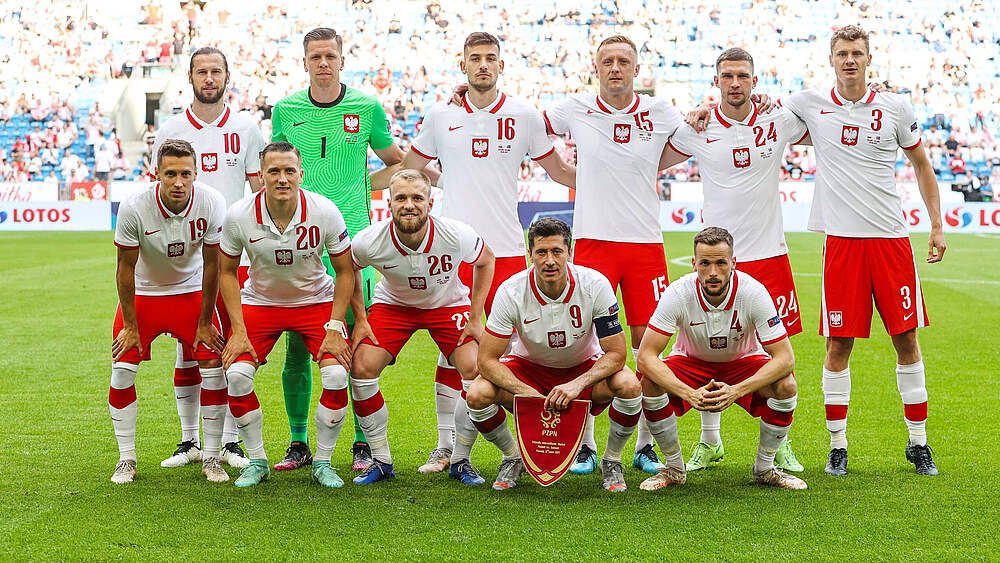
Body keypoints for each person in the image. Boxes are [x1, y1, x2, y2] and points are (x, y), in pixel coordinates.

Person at [382, 31, 576, 474]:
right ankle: (447, 448)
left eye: (490, 58)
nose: (483, 65)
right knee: (453, 350)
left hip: (506, 251)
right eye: (475, 58)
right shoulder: (441, 114)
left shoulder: (524, 115)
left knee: (525, 347)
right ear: (463, 64)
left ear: (501, 65)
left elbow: (560, 170)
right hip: (453, 253)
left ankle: (547, 441)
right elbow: (410, 170)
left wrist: (616, 181)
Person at [778, 25, 945, 476]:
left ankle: (918, 442)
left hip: (891, 242)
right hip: (843, 246)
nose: (849, 60)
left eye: (857, 53)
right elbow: (756, 108)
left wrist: (936, 225)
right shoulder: (810, 104)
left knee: (906, 340)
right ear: (831, 59)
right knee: (838, 345)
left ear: (869, 58)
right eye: (842, 53)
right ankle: (838, 446)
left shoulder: (895, 107)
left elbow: (922, 165)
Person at [659, 47, 806, 473]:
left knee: (779, 354)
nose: (735, 83)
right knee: (707, 348)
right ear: (717, 81)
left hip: (769, 254)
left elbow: (827, 124)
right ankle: (710, 441)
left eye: (743, 76)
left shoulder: (777, 120)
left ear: (755, 81)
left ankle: (779, 445)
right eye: (727, 76)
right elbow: (653, 156)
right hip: (716, 259)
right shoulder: (698, 128)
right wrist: (687, 114)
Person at [543, 35, 683, 475]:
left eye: (624, 61)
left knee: (648, 345)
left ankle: (643, 445)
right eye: (608, 61)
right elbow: (529, 128)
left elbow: (695, 136)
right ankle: (584, 444)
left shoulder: (660, 111)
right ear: (596, 68)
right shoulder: (575, 107)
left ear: (636, 69)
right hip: (593, 241)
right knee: (583, 341)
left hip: (644, 245)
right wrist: (566, 172)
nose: (616, 68)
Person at [269, 27, 407, 473]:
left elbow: (397, 164)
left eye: (330, 56)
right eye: (316, 57)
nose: (323, 63)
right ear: (305, 62)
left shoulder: (366, 107)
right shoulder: (286, 109)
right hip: (302, 242)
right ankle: (298, 442)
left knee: (357, 342)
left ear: (342, 60)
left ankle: (363, 444)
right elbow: (277, 166)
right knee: (298, 345)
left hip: (353, 244)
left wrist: (360, 185)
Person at [151, 46, 266, 471]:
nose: (209, 78)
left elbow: (257, 192)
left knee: (231, 347)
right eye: (202, 71)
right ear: (191, 77)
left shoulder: (247, 128)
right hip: (185, 259)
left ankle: (231, 443)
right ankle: (189, 440)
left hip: (233, 256)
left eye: (216, 71)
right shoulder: (171, 129)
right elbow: (159, 190)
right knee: (188, 349)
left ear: (227, 76)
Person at [468, 218, 643, 492]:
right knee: (477, 394)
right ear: (530, 254)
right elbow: (486, 361)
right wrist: (526, 392)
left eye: (557, 252)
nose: (549, 261)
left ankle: (612, 460)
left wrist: (577, 384)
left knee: (629, 385)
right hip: (529, 370)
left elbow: (617, 354)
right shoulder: (511, 291)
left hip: (582, 368)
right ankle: (512, 457)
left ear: (569, 253)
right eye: (541, 252)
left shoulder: (595, 284)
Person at [217, 142, 355, 488]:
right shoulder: (238, 215)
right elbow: (227, 272)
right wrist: (238, 330)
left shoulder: (324, 211)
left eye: (289, 171)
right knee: (237, 376)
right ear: (261, 175)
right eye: (274, 171)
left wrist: (335, 327)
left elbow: (345, 271)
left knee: (337, 375)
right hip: (261, 303)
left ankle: (323, 462)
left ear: (301, 174)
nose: (282, 178)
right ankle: (257, 461)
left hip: (315, 302)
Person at [348, 169, 495, 485]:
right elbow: (349, 269)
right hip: (395, 306)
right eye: (401, 198)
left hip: (447, 304)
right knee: (361, 369)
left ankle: (460, 460)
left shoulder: (455, 233)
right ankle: (381, 460)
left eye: (417, 198)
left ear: (430, 203)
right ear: (389, 203)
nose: (409, 205)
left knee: (475, 368)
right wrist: (360, 318)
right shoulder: (369, 240)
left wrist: (475, 317)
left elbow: (486, 260)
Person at [635, 227, 806, 491]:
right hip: (692, 362)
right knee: (649, 382)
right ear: (694, 264)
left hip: (743, 363)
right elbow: (646, 357)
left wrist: (737, 391)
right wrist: (688, 393)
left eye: (721, 263)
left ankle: (764, 469)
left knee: (786, 385)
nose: (713, 272)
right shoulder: (678, 292)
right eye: (705, 263)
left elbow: (785, 358)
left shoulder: (753, 292)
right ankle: (674, 468)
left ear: (733, 263)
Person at [108, 139, 228, 484]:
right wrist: (130, 326)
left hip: (189, 292)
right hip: (145, 294)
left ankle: (211, 457)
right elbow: (124, 269)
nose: (178, 182)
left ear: (196, 174)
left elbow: (213, 265)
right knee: (121, 371)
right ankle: (126, 459)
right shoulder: (134, 205)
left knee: (214, 369)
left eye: (185, 174)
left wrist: (204, 321)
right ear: (156, 173)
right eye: (170, 174)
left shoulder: (211, 201)